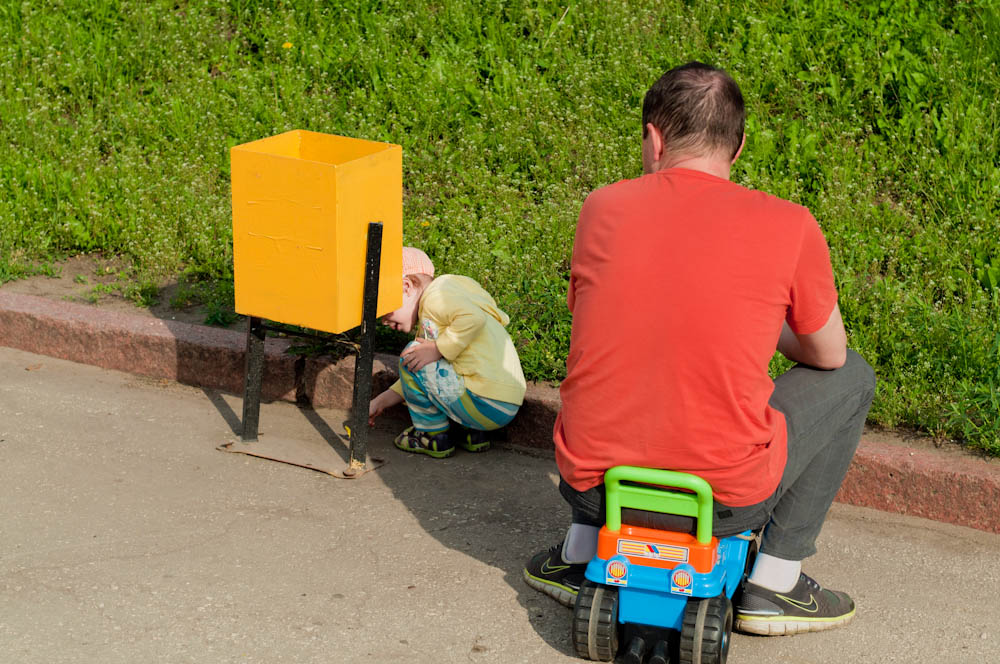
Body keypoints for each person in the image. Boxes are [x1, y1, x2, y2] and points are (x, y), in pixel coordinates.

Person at [523, 61, 876, 636]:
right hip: (724, 499)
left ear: (654, 138)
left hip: (593, 488)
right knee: (853, 376)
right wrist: (764, 323)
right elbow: (829, 354)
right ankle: (776, 581)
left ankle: (581, 549)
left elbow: (608, 317)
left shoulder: (601, 208)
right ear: (736, 149)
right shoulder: (790, 224)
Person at [368, 247, 527, 458]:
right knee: (422, 358)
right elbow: (423, 376)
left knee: (412, 353)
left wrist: (437, 348)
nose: (382, 319)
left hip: (483, 401)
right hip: (503, 403)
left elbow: (473, 318)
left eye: (381, 305)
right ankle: (470, 432)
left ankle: (431, 436)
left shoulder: (436, 298)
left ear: (406, 287)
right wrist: (380, 402)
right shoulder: (450, 298)